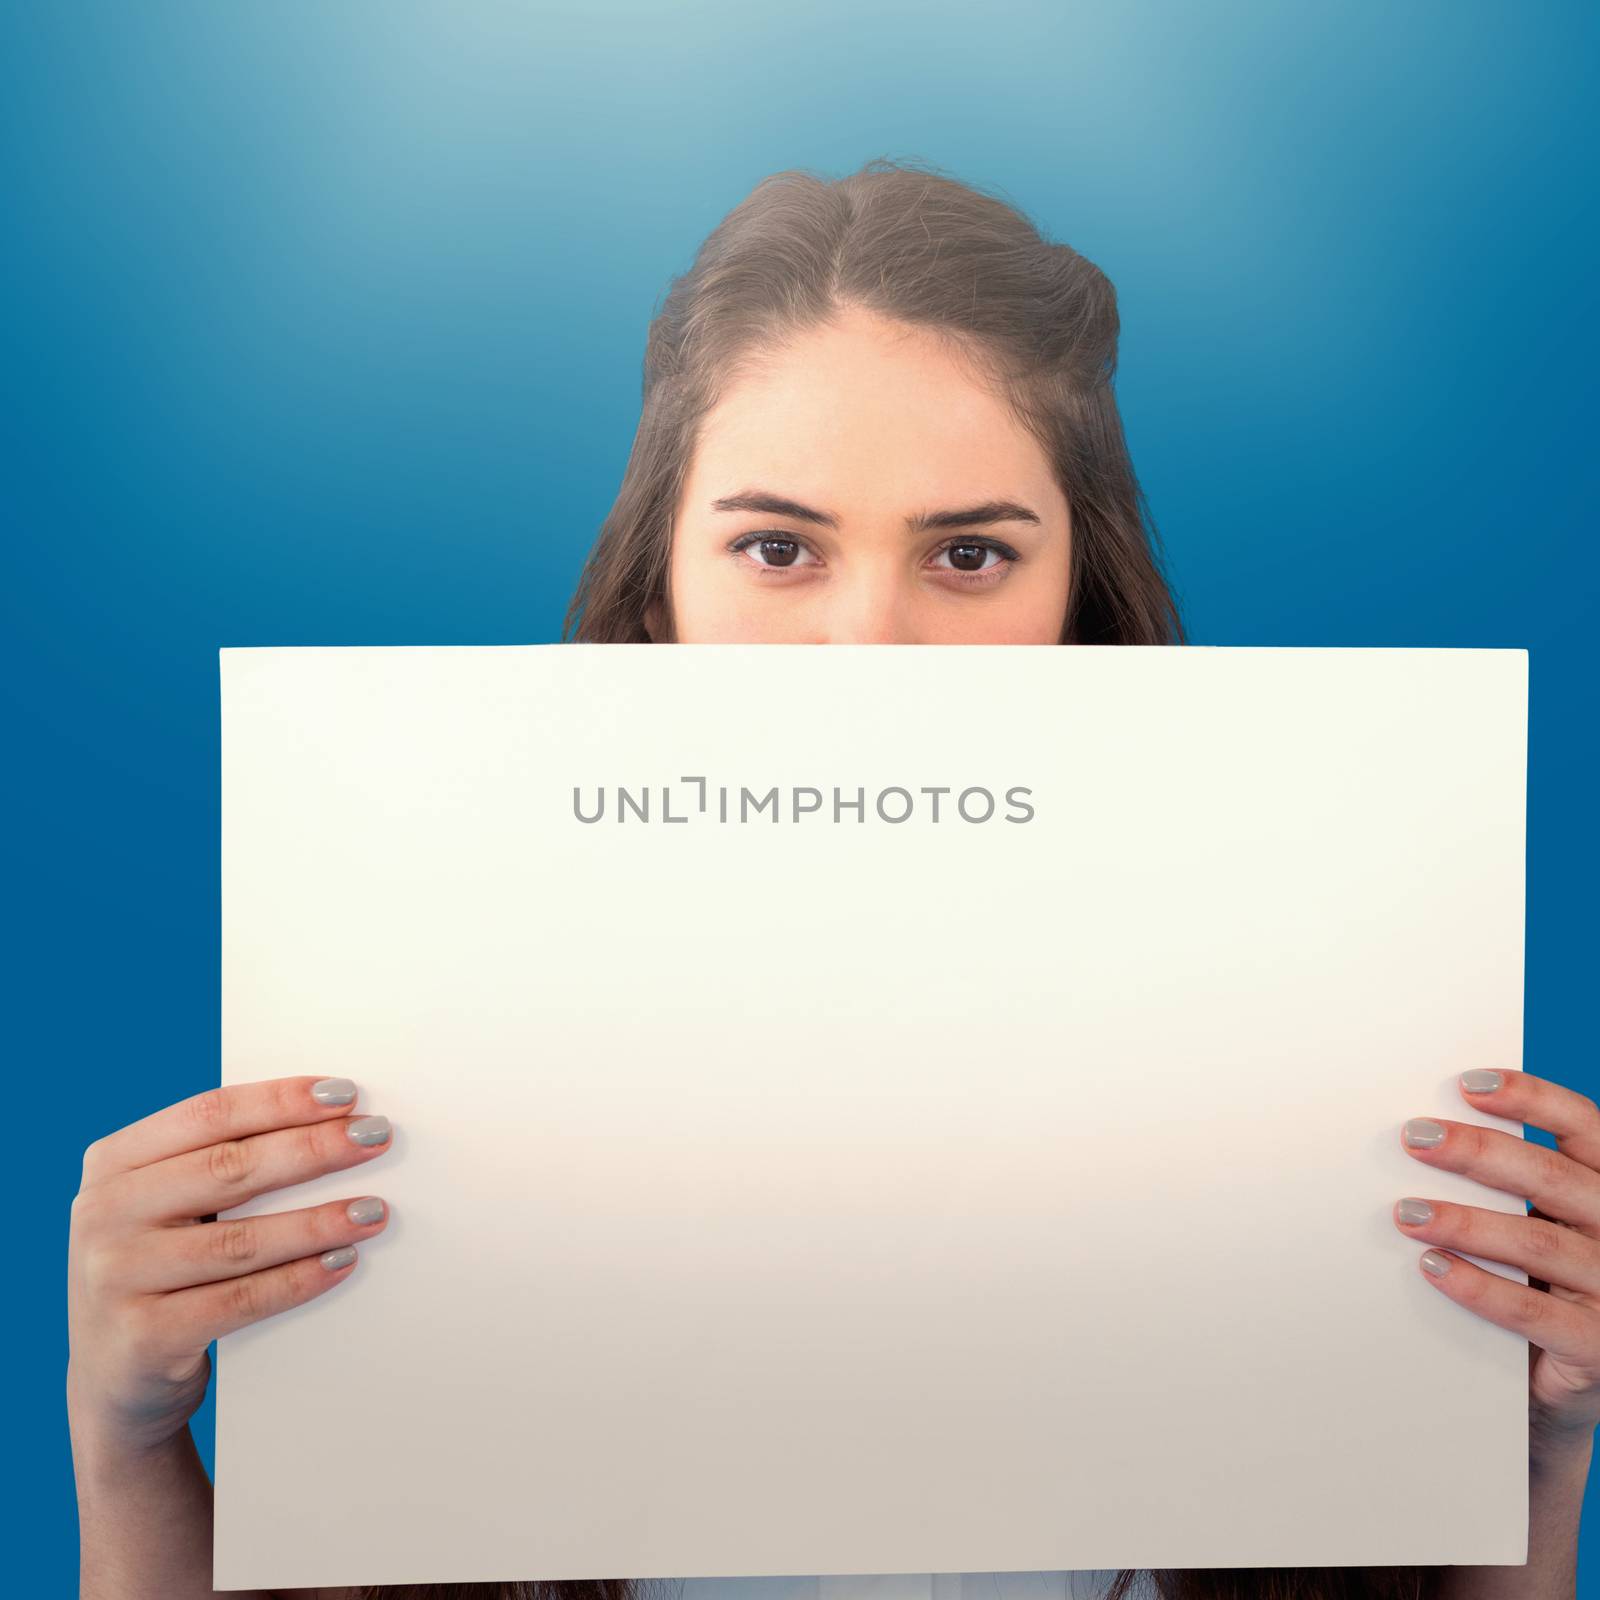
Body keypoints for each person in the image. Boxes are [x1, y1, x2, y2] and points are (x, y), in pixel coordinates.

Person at [67, 158, 1596, 1600]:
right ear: (659, 580)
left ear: (1081, 587)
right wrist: (133, 1448)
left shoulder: (1306, 1026)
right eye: (780, 549)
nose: (869, 647)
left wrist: (1523, 1441)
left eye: (972, 556)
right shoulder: (426, 1024)